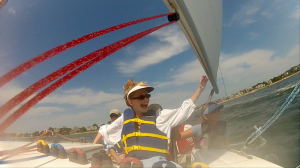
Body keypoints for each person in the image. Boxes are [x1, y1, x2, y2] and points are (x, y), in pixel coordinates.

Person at [107, 75, 208, 166]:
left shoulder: (160, 117)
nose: (146, 100)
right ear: (131, 102)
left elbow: (183, 111)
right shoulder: (127, 124)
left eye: (147, 96)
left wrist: (200, 89)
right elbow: (111, 146)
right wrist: (120, 161)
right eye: (141, 97)